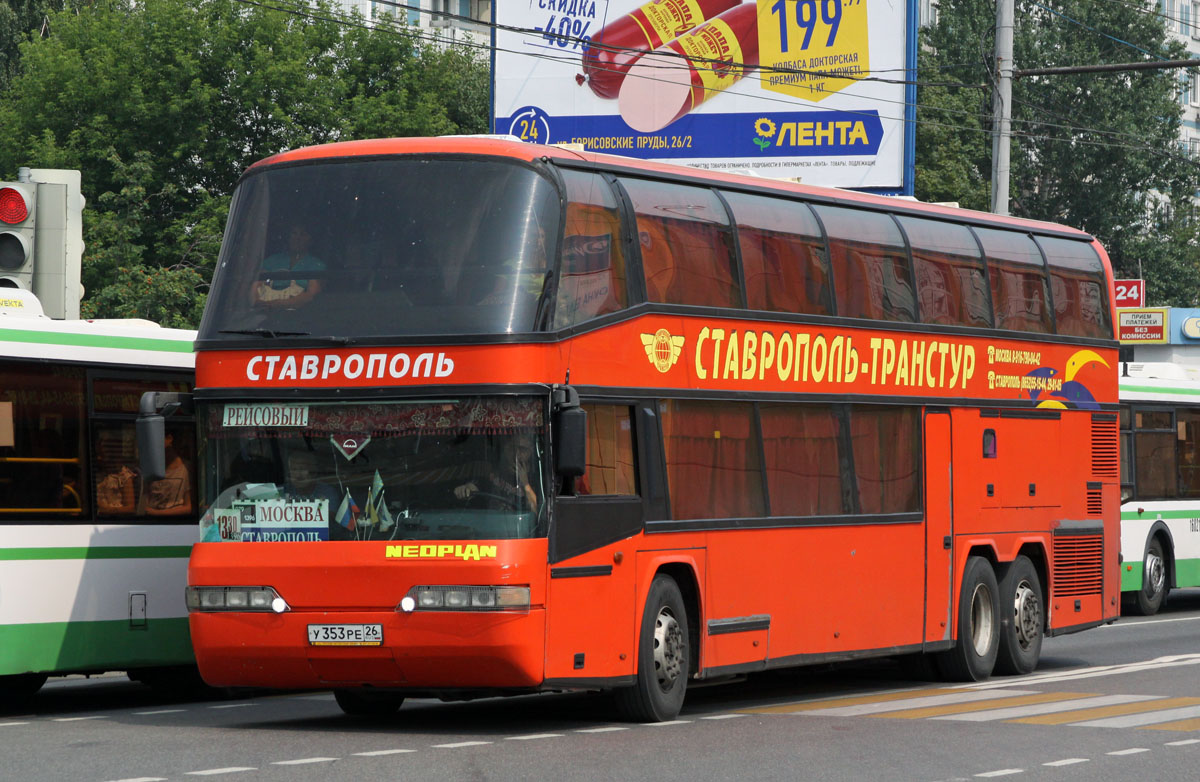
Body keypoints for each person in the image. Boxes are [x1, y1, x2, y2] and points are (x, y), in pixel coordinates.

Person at [249, 224, 325, 308]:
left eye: (303, 234)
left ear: (311, 240)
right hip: (264, 311)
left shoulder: (316, 265)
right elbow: (255, 287)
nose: (297, 238)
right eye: (294, 233)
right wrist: (259, 303)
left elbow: (311, 295)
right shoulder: (272, 261)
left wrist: (279, 303)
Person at [454, 438, 538, 512]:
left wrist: (525, 483)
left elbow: (538, 512)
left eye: (522, 449)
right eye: (511, 448)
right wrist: (466, 489)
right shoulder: (492, 474)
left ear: (530, 452)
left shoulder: (537, 479)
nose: (516, 454)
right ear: (505, 450)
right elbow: (477, 485)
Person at [283, 449, 341, 520]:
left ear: (313, 472)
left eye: (302, 469)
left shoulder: (327, 492)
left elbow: (329, 519)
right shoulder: (285, 491)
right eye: (294, 469)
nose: (298, 475)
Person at [144, 432, 193, 516]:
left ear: (169, 438)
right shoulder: (150, 468)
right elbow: (145, 503)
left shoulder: (186, 468)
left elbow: (188, 507)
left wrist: (157, 513)